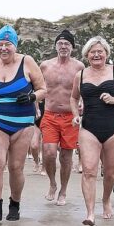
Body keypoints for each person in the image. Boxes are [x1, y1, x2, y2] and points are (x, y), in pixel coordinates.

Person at [0, 25, 48, 222]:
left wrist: (32, 96)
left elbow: (43, 88)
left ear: (15, 45)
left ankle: (15, 204)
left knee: (16, 166)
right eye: (0, 44)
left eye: (8, 44)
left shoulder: (27, 62)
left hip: (22, 123)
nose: (3, 48)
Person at [72, 36, 114, 225]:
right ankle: (90, 213)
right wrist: (75, 115)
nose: (96, 54)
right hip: (89, 127)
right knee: (89, 171)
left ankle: (106, 200)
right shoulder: (80, 75)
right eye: (92, 52)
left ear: (106, 54)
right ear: (87, 55)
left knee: (109, 172)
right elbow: (73, 98)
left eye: (100, 51)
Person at [38, 29, 83, 205]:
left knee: (66, 156)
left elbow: (84, 88)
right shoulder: (45, 65)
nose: (63, 46)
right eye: (60, 43)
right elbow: (37, 87)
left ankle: (63, 190)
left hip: (69, 116)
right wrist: (35, 106)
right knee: (49, 153)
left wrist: (83, 104)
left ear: (72, 47)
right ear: (56, 46)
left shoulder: (79, 67)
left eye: (67, 44)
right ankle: (52, 183)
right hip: (49, 114)